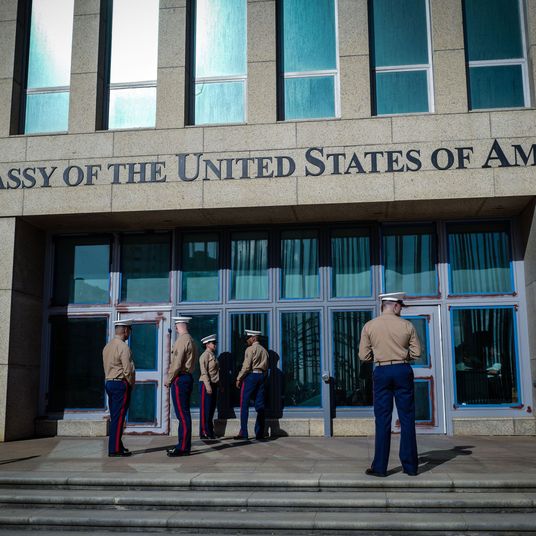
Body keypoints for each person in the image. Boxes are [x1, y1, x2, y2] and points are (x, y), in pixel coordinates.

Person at [359, 292, 421, 477]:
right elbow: (417, 353)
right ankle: (410, 467)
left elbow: (363, 356)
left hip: (382, 371)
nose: (401, 309)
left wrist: (380, 356)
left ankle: (380, 468)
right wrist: (402, 356)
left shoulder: (369, 326)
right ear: (395, 306)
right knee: (407, 418)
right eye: (400, 306)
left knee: (382, 419)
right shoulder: (407, 325)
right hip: (402, 370)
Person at [102, 319, 136, 458]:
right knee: (119, 417)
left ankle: (117, 444)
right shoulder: (123, 347)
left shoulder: (107, 346)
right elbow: (128, 370)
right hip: (120, 384)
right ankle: (114, 449)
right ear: (126, 330)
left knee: (115, 416)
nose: (129, 333)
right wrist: (131, 384)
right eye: (129, 331)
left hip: (109, 382)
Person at [165, 316, 198, 457]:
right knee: (184, 414)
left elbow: (177, 363)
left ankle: (183, 447)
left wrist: (169, 379)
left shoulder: (182, 340)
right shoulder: (191, 340)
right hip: (187, 376)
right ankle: (182, 445)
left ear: (178, 326)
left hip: (180, 378)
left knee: (182, 415)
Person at [234, 329, 269, 440]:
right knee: (260, 405)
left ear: (254, 338)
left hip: (251, 376)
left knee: (244, 404)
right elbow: (266, 367)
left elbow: (246, 366)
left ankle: (244, 433)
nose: (247, 340)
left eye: (248, 338)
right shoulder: (264, 350)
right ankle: (259, 433)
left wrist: (239, 378)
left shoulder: (249, 349)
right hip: (261, 376)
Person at [198, 334, 219, 440]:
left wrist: (219, 385)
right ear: (207, 344)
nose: (215, 345)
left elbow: (216, 372)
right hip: (206, 384)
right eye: (213, 343)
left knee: (211, 409)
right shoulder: (205, 356)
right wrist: (208, 386)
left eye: (215, 343)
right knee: (205, 409)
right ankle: (204, 431)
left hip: (213, 384)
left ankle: (210, 431)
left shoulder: (213, 355)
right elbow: (204, 372)